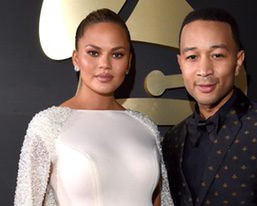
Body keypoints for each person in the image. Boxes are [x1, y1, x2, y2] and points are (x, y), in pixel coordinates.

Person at [14, 8, 173, 206]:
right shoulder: (48, 126)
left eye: (117, 54)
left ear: (129, 62)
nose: (104, 64)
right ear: (76, 58)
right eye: (93, 53)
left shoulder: (145, 126)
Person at [161, 8, 257, 206]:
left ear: (238, 61)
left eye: (217, 55)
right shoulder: (173, 140)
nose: (204, 70)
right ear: (180, 63)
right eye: (192, 57)